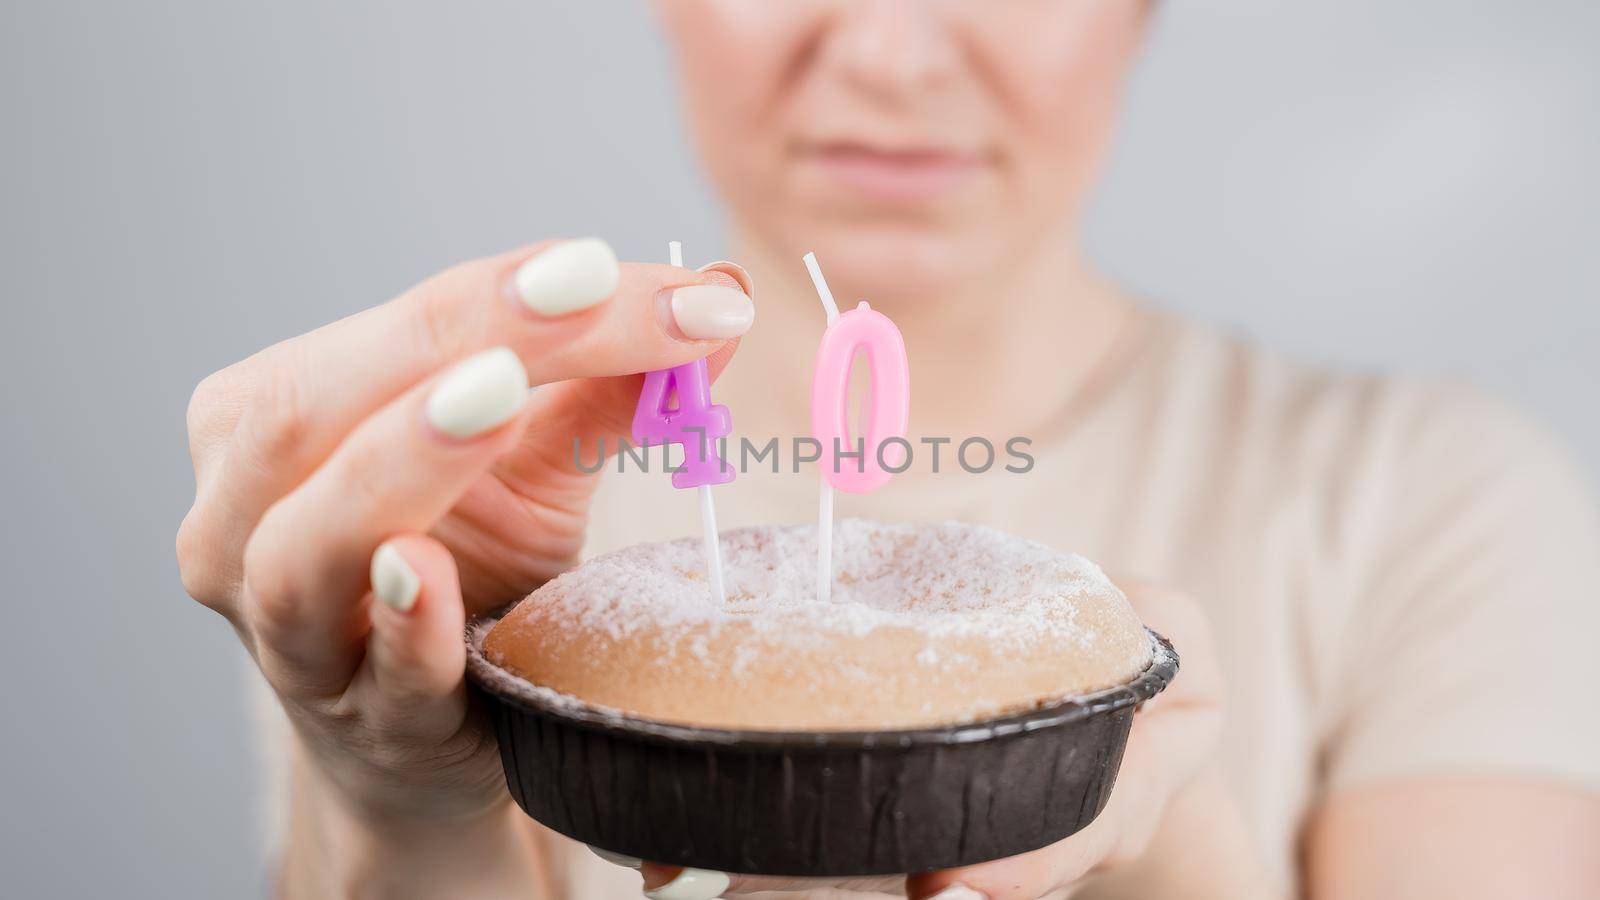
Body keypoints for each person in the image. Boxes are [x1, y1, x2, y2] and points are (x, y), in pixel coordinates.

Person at [176, 3, 1600, 898]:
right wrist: (400, 804)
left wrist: (1160, 842)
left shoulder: (1440, 507)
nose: (887, 48)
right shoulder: (453, 529)